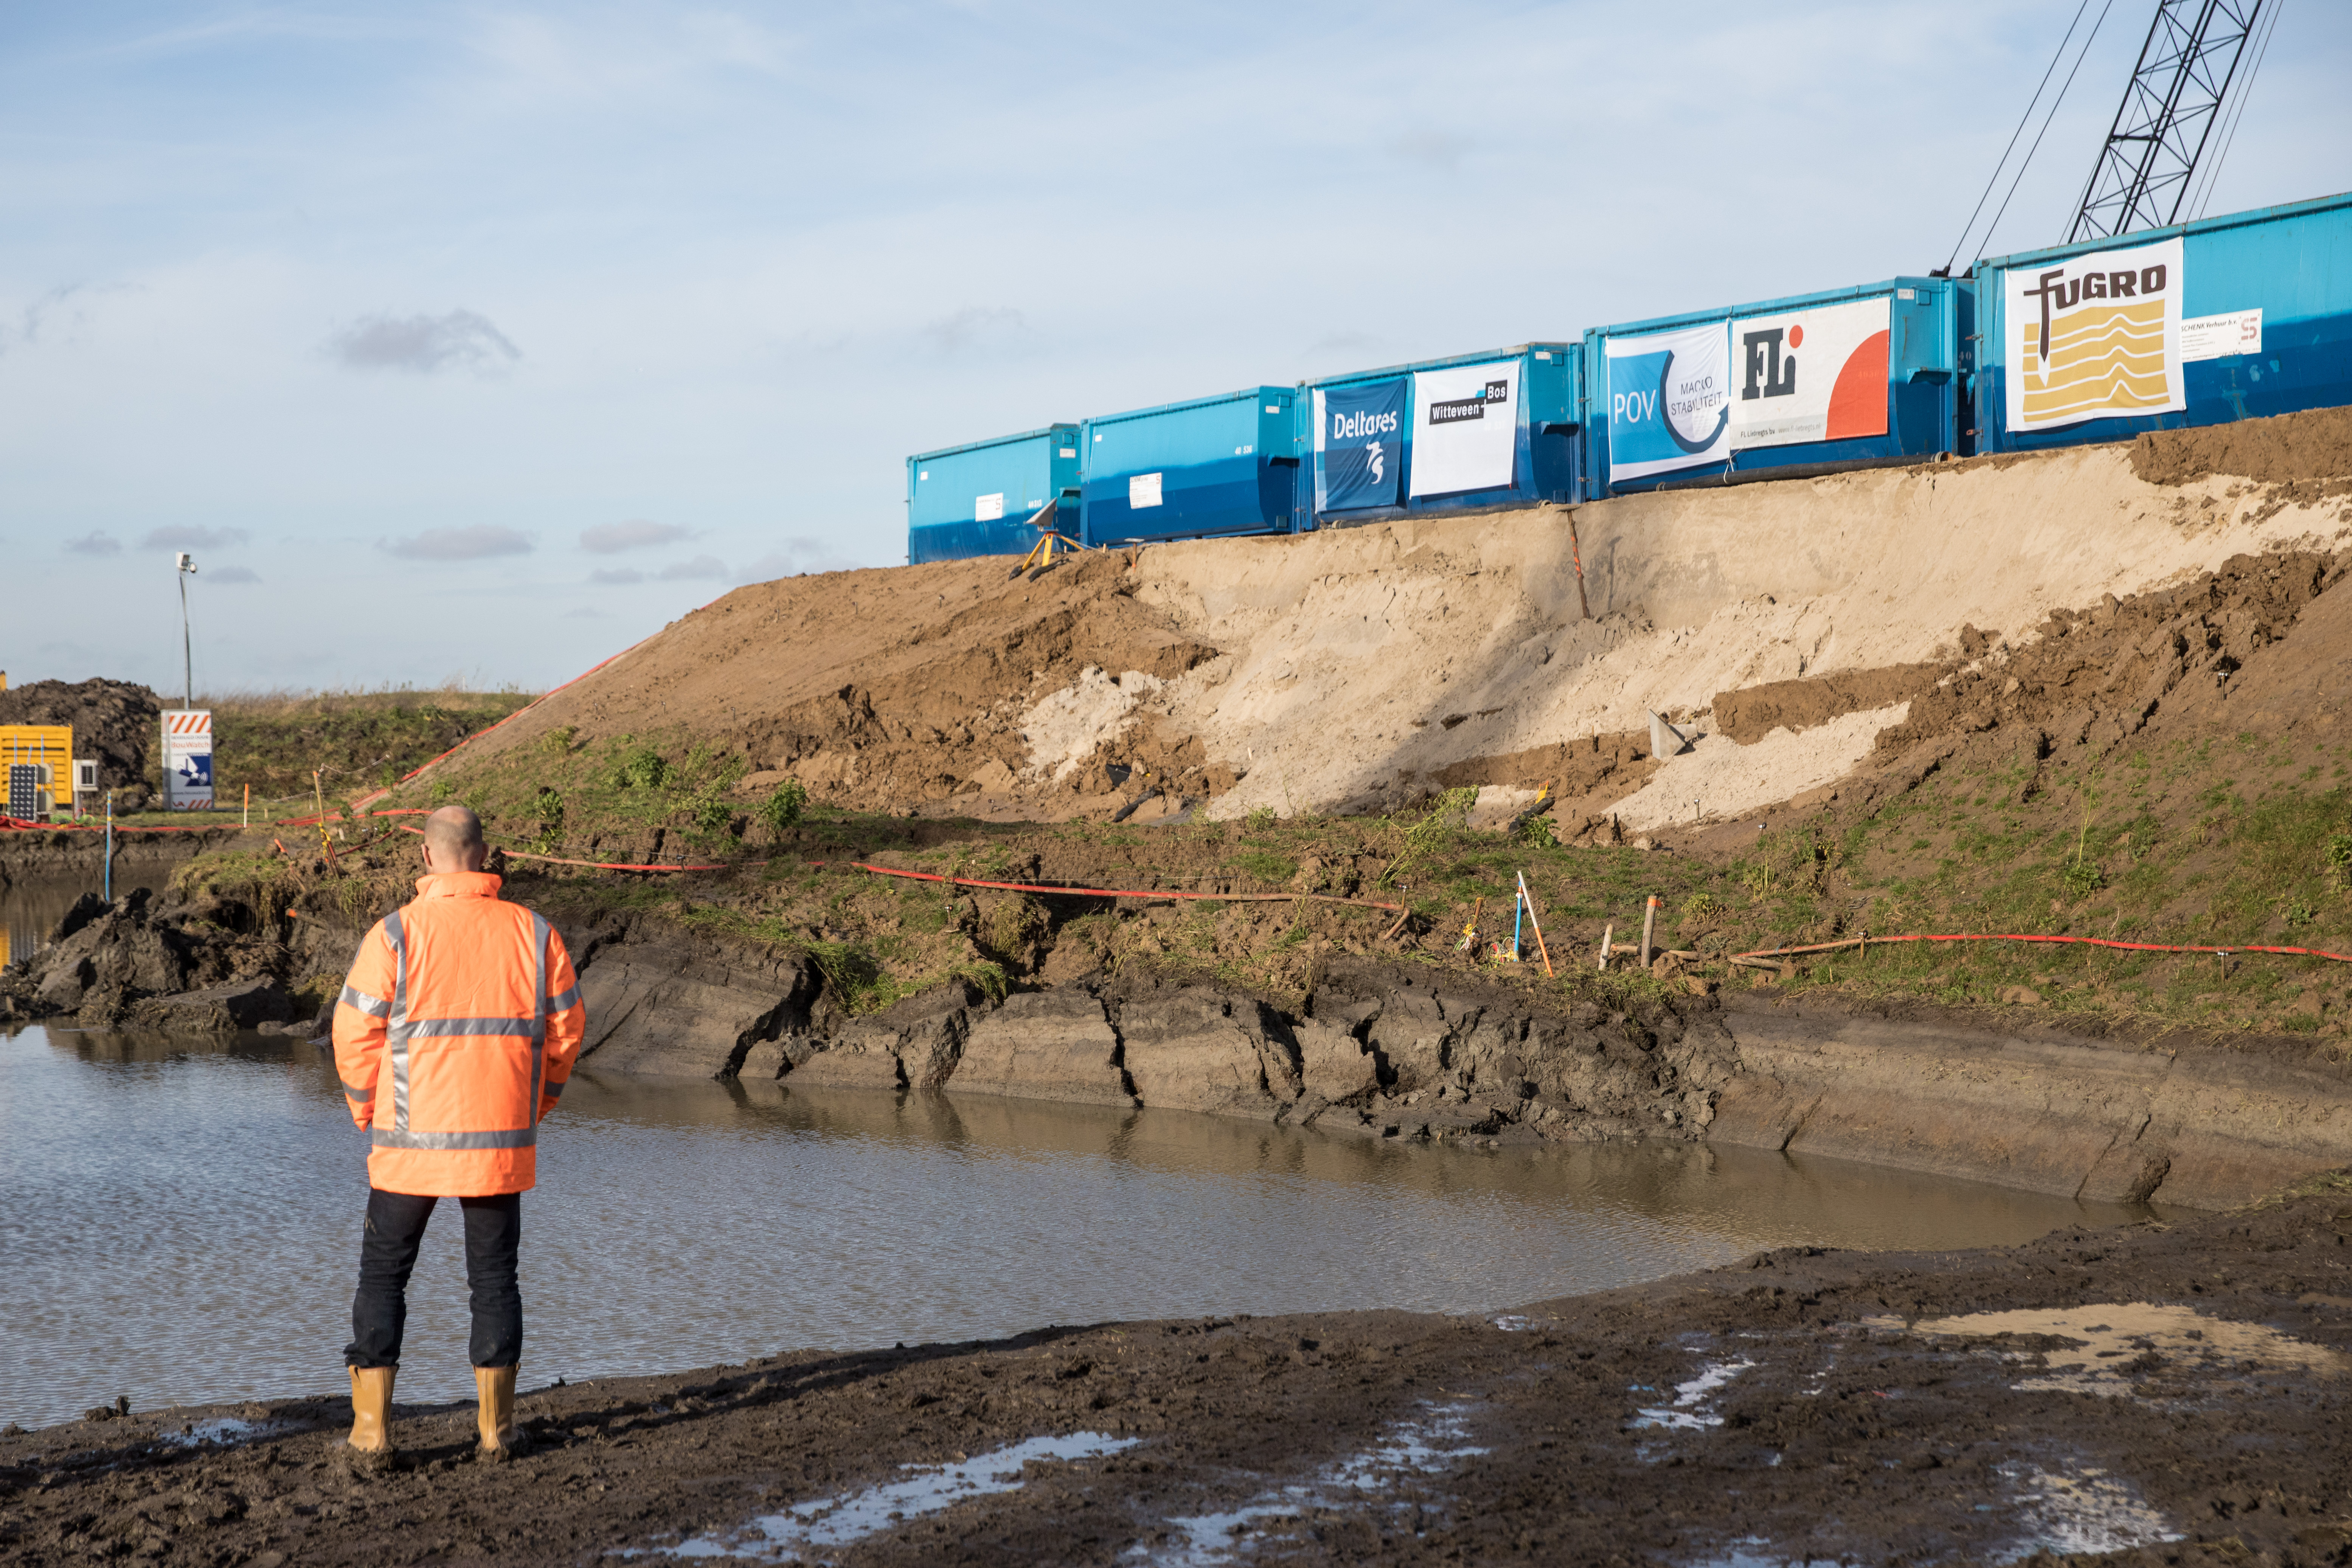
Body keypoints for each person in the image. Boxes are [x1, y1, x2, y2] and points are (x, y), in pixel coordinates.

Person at [331, 804, 586, 1461]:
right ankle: (496, 1434)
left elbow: (352, 1032)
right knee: (496, 1281)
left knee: (384, 1278)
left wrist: (367, 1108)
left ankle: (371, 1435)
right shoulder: (534, 933)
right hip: (499, 1145)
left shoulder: (394, 935)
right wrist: (537, 1103)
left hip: (406, 1149)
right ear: (487, 854)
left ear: (426, 858)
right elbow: (566, 1032)